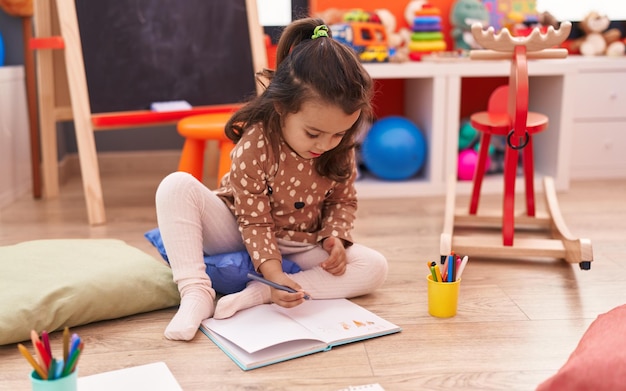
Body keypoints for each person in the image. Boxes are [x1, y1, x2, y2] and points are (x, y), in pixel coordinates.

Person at [155, 17, 388, 341]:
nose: (324, 144)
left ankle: (261, 293)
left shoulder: (340, 145)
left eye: (338, 133)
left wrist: (334, 237)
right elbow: (253, 219)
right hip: (239, 228)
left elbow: (342, 199)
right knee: (175, 186)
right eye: (313, 133)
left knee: (375, 267)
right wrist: (272, 269)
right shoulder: (257, 143)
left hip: (301, 242)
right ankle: (196, 292)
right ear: (281, 106)